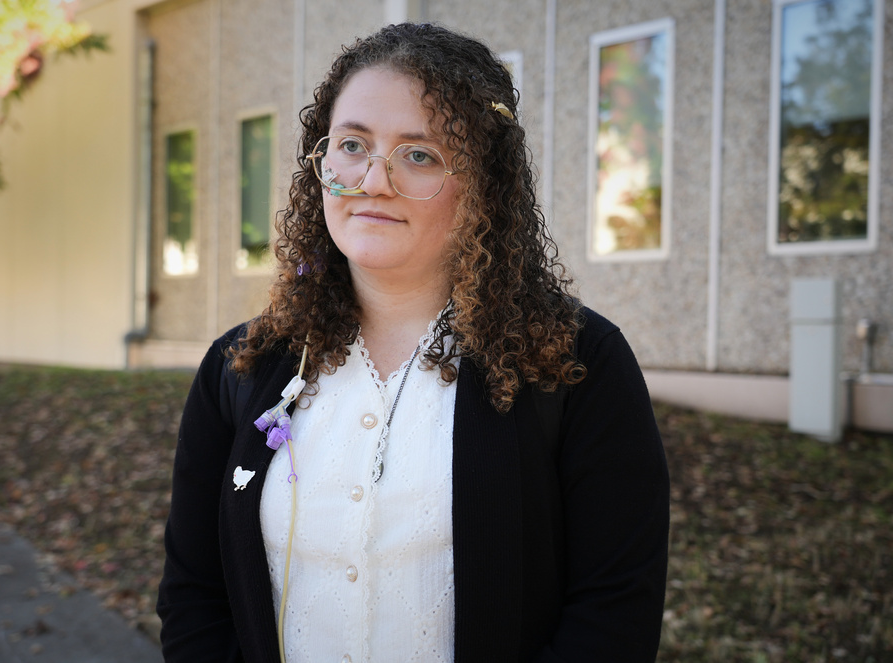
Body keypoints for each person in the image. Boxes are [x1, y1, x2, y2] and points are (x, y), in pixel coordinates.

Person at [157, 22, 669, 663]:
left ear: (483, 187)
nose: (374, 180)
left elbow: (614, 613)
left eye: (419, 155)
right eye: (352, 145)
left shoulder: (574, 362)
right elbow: (194, 599)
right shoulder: (242, 367)